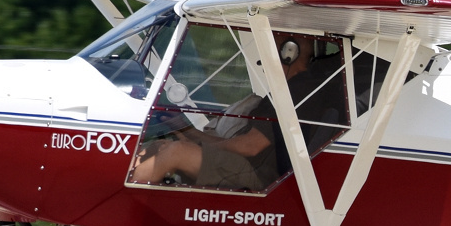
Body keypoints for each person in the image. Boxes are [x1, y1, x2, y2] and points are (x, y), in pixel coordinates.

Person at [132, 34, 343, 191]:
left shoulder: (298, 92)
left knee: (175, 152)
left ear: (289, 53)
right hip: (246, 167)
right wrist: (189, 132)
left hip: (257, 176)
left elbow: (250, 147)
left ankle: (127, 194)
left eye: (271, 46)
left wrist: (199, 143)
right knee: (161, 146)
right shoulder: (290, 90)